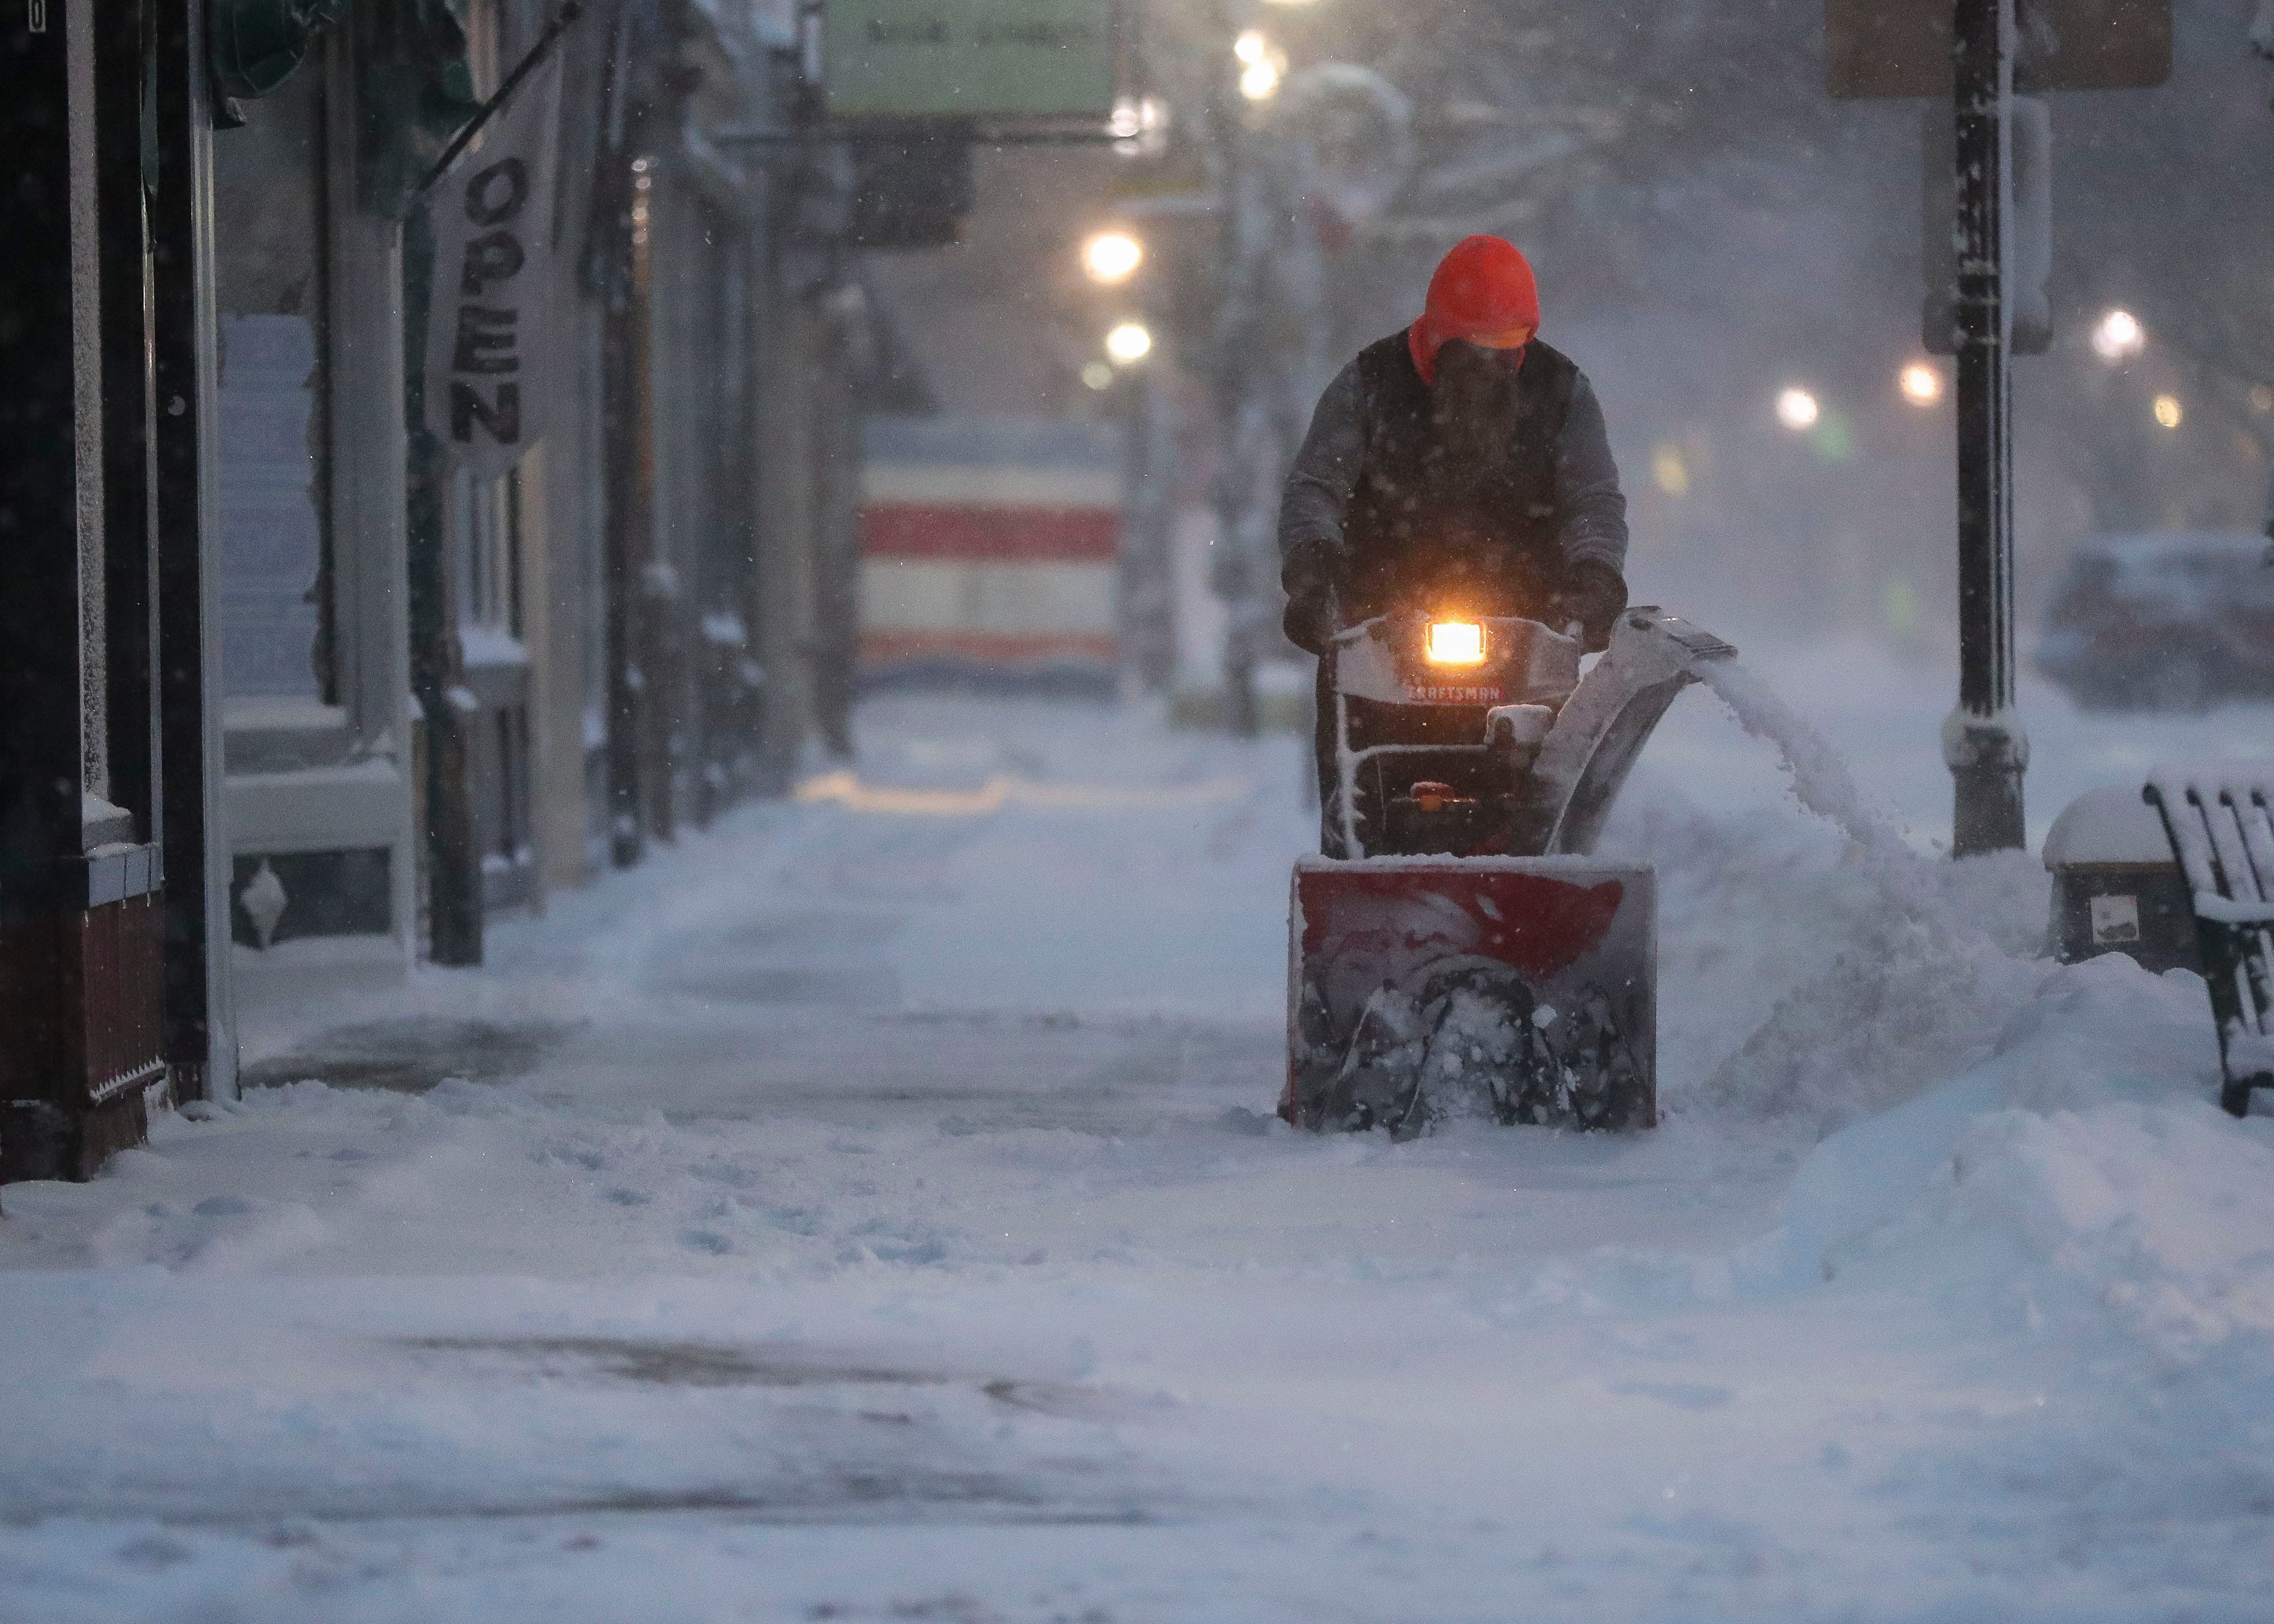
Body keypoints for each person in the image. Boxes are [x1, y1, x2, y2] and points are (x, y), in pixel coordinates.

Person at [1277, 234, 1630, 841]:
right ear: (1438, 336)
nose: (1493, 365)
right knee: (1364, 800)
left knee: (1533, 809)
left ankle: (1535, 878)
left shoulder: (1563, 392)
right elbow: (1316, 490)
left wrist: (1595, 577)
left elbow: (1592, 502)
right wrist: (1314, 573)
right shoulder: (1369, 385)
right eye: (1476, 347)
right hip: (1378, 636)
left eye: (1509, 347)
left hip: (1526, 635)